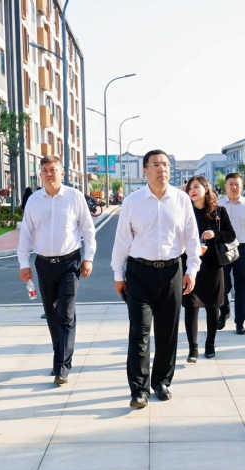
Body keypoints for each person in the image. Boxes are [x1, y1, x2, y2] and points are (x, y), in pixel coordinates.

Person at [111, 149, 201, 408]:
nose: (162, 169)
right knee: (139, 332)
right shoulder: (133, 202)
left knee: (167, 332)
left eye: (165, 164)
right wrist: (118, 274)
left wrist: (191, 270)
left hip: (172, 271)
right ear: (145, 170)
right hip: (139, 273)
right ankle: (139, 389)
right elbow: (122, 241)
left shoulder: (181, 200)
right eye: (155, 164)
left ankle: (161, 381)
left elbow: (192, 239)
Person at [18, 155, 96, 385]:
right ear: (40, 174)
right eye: (45, 170)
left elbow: (88, 230)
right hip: (44, 264)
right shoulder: (34, 201)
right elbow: (26, 234)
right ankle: (59, 355)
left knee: (66, 313)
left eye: (53, 169)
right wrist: (24, 264)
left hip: (69, 263)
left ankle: (62, 366)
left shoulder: (74, 197)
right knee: (52, 314)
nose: (49, 174)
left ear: (63, 173)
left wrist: (88, 258)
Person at [183, 175, 236, 362]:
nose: (192, 191)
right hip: (190, 266)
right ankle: (193, 349)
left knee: (213, 306)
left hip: (213, 264)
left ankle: (210, 344)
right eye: (190, 188)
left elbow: (231, 235)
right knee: (191, 306)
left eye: (196, 187)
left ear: (206, 188)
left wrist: (215, 234)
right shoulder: (184, 211)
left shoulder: (219, 211)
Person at [218, 173, 245, 334]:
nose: (234, 187)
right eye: (231, 184)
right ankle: (224, 311)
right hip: (223, 248)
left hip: (243, 248)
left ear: (242, 186)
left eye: (237, 184)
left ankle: (240, 322)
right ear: (225, 186)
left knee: (241, 286)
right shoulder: (218, 205)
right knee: (223, 284)